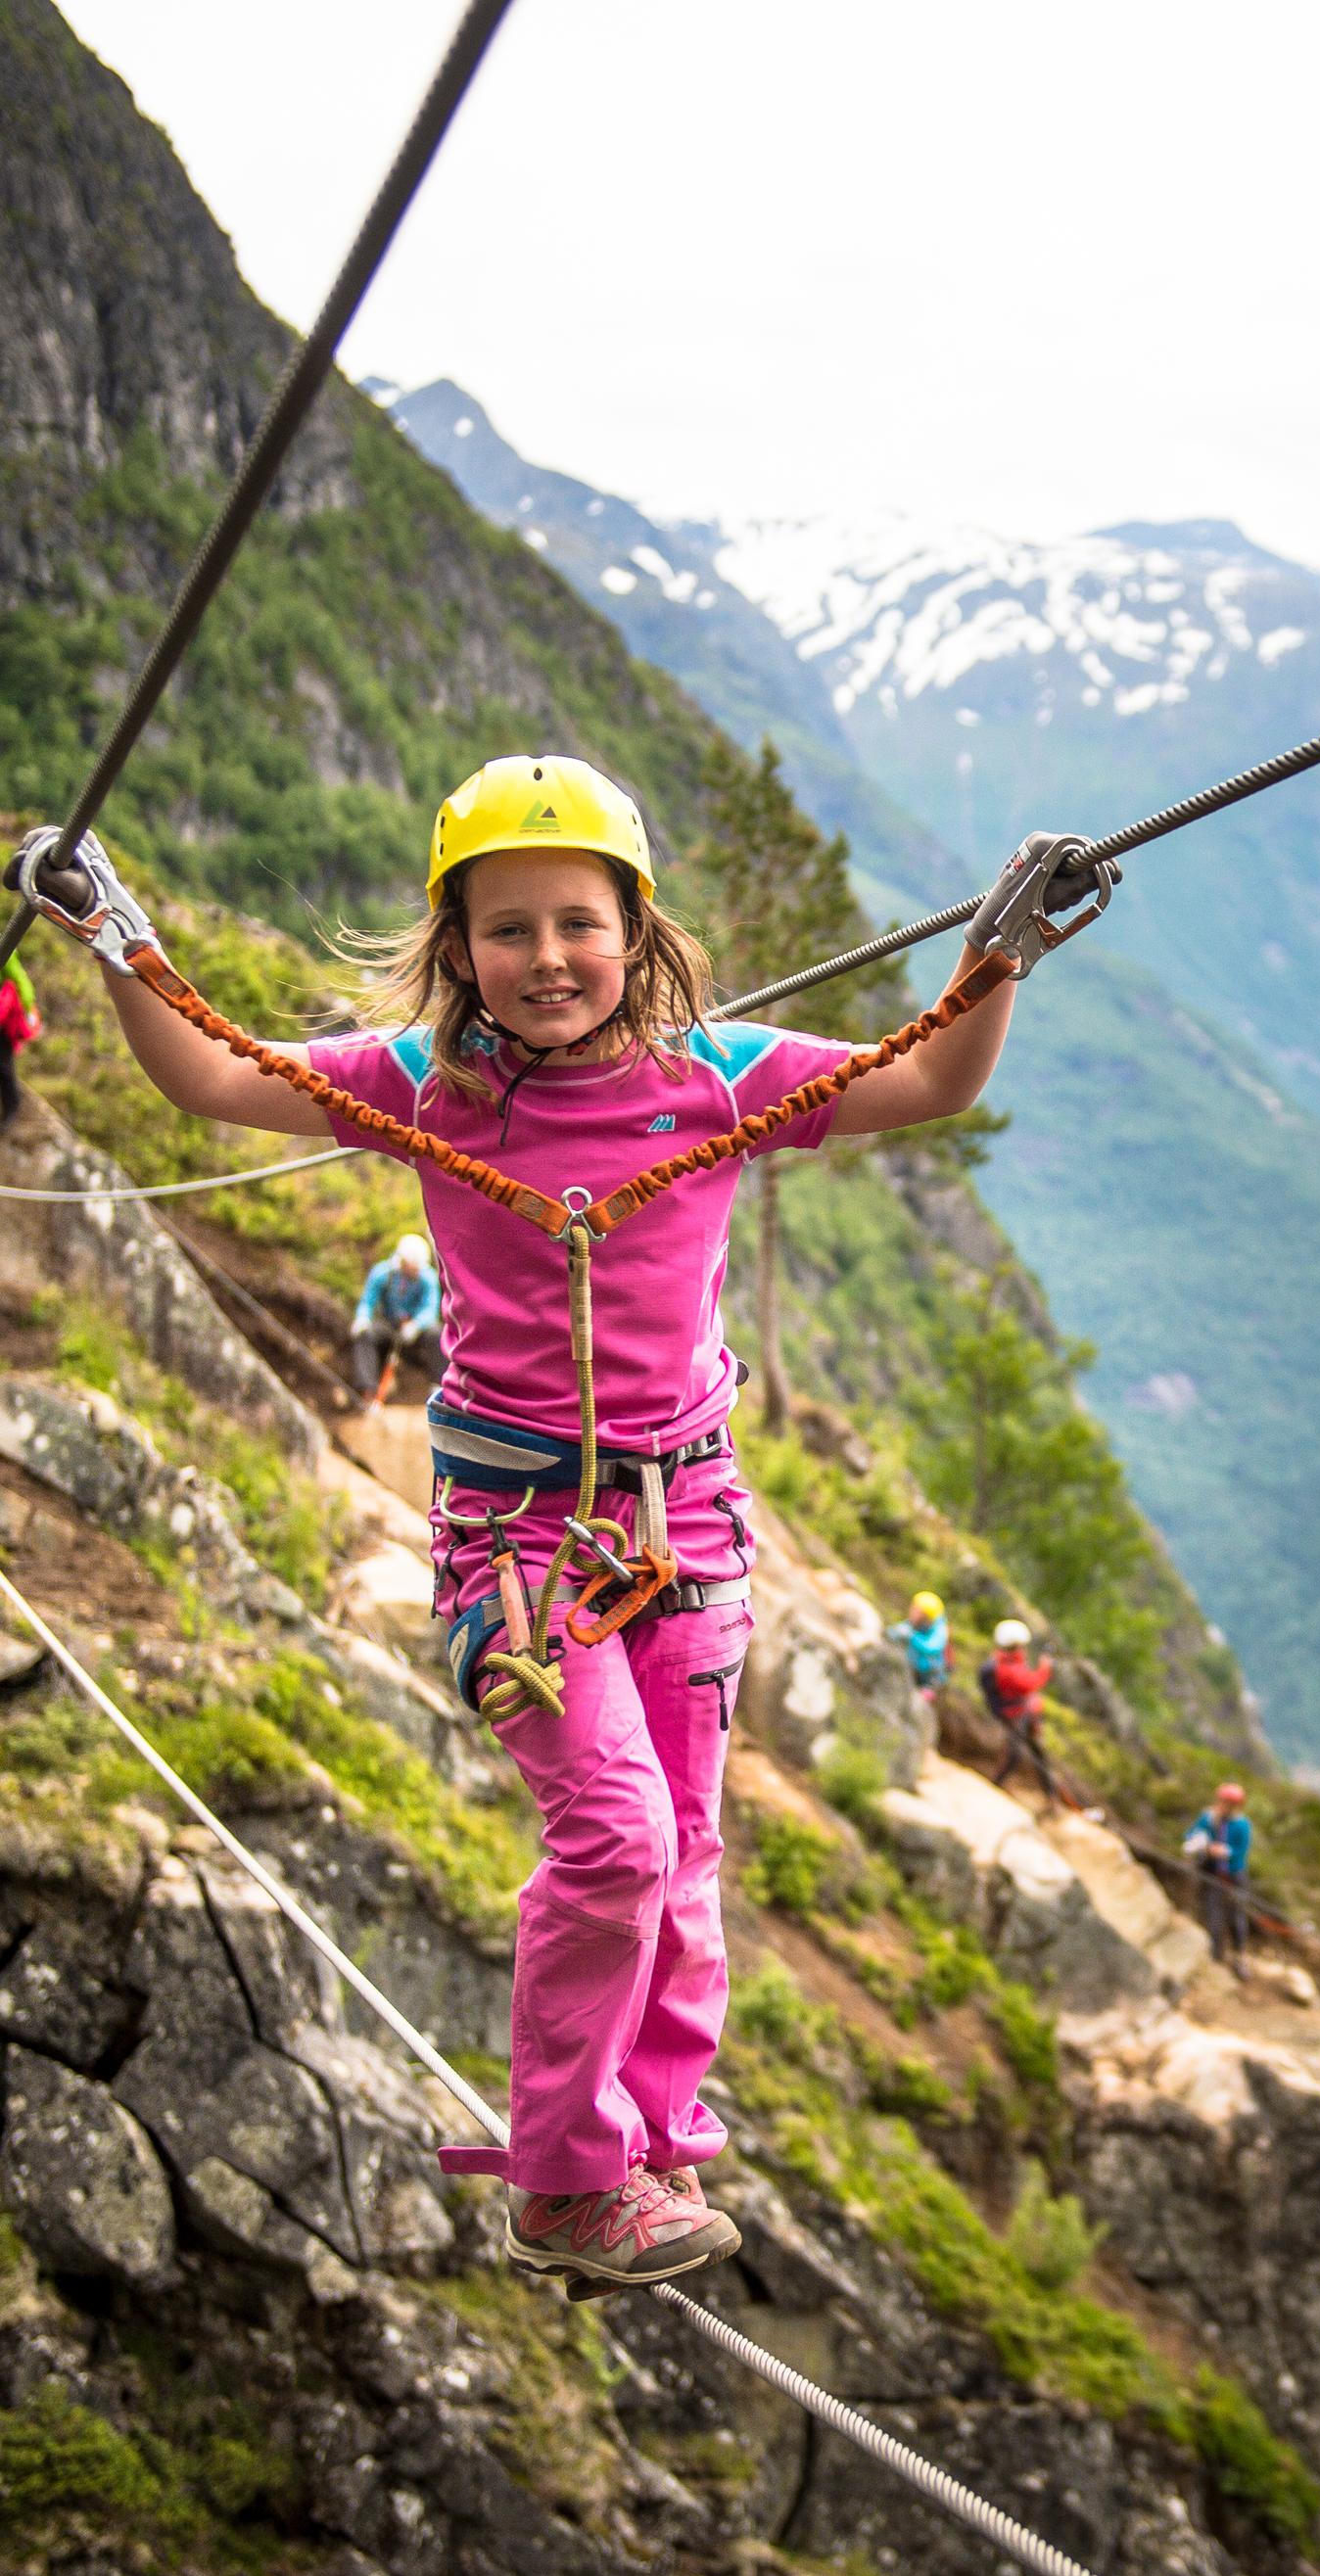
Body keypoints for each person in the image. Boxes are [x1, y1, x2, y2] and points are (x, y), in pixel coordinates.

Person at [9, 755, 1028, 2293]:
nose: (548, 958)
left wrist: (996, 957)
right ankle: (563, 2179)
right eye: (507, 929)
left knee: (683, 1847)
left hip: (686, 1524)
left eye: (578, 921)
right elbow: (213, 1075)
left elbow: (933, 1081)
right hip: (516, 1538)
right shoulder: (424, 1090)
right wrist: (118, 938)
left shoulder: (721, 1075)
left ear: (635, 926)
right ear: (457, 945)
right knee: (614, 1835)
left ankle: (651, 2131)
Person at [351, 1231, 444, 1398]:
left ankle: (439, 1386)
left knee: (437, 1333)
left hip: (416, 1328)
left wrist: (416, 1325)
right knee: (366, 1334)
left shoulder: (427, 1277)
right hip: (389, 1324)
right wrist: (362, 1318)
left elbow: (431, 1308)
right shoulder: (382, 1273)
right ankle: (367, 1390)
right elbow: (368, 1301)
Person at [981, 1618, 1057, 1802]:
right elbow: (1030, 1683)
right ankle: (996, 1783)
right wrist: (1045, 1667)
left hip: (1020, 1714)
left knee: (1033, 1752)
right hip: (1015, 1715)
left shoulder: (1002, 1661)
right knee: (1016, 1753)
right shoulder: (1006, 1668)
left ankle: (1050, 1793)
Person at [1184, 1781, 1252, 1976]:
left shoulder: (1241, 1825)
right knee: (1213, 1912)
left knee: (1237, 1915)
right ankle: (1215, 1955)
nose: (1226, 1806)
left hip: (1233, 1874)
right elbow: (1191, 1835)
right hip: (1211, 1872)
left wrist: (1225, 1852)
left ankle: (1240, 1956)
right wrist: (1204, 1845)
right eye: (1224, 1801)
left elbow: (1240, 1851)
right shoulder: (1208, 1818)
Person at [0, 954, 41, 1131]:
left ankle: (12, 1107)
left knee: (4, 1065)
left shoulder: (4, 947)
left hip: (4, 1019)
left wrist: (27, 1011)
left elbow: (20, 981)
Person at [890, 1590, 951, 1700]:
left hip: (931, 1677)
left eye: (916, 1610)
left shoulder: (939, 1630)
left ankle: (929, 1691)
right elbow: (894, 1632)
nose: (911, 1611)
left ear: (926, 1615)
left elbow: (932, 1648)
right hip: (914, 1670)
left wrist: (912, 1637)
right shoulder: (913, 1625)